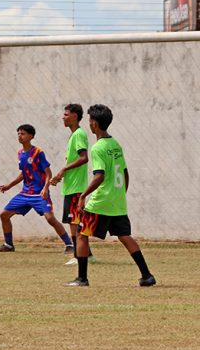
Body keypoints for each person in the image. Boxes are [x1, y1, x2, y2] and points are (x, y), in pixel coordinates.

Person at [66, 105, 156, 287]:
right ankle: (147, 276)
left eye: (90, 120)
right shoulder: (116, 144)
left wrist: (83, 196)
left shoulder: (98, 148)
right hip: (117, 201)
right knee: (125, 236)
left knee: (82, 234)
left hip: (101, 202)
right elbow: (125, 173)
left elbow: (99, 176)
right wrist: (120, 194)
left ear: (95, 124)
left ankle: (82, 279)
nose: (89, 123)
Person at [0, 124, 73, 252]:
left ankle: (69, 245)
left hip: (39, 194)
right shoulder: (20, 154)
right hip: (25, 194)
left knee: (50, 218)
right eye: (18, 133)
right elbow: (23, 173)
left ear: (31, 136)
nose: (20, 136)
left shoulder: (38, 153)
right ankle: (8, 245)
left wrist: (45, 188)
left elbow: (48, 173)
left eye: (23, 134)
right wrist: (9, 185)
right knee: (4, 215)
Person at [49, 104, 96, 266]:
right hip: (71, 186)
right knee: (75, 221)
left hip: (76, 187)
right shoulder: (74, 135)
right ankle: (87, 254)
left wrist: (63, 169)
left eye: (66, 114)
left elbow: (84, 158)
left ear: (75, 116)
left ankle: (78, 255)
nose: (63, 117)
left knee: (74, 222)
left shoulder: (79, 134)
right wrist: (60, 175)